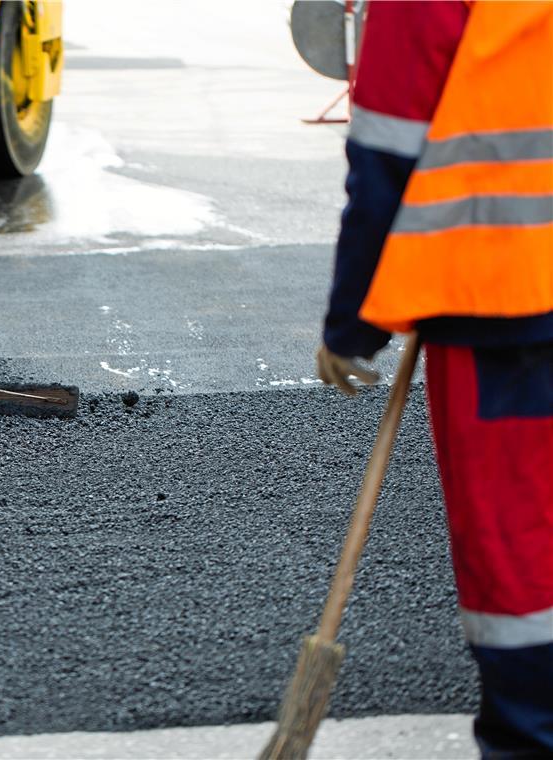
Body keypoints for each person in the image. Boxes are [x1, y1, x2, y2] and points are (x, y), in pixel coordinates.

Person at [315, 1, 552, 755]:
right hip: (509, 300)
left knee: (523, 559)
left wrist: (352, 329)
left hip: (506, 305)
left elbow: (387, 153)